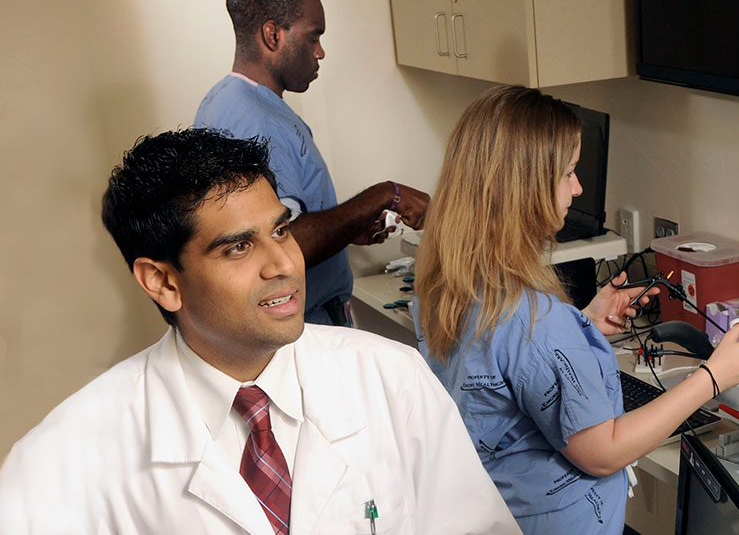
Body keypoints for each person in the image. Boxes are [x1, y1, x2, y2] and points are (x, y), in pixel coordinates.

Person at [0, 128, 519, 534]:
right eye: (238, 248)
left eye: (281, 230)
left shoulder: (391, 377)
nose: (286, 265)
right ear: (162, 281)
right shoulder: (63, 460)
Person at [413, 85, 739, 534]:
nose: (577, 187)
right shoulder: (537, 320)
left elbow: (509, 367)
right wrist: (714, 376)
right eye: (567, 173)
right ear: (524, 187)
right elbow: (604, 452)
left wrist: (584, 325)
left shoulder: (451, 285)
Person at [195, 0, 429, 326]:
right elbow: (280, 247)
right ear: (272, 35)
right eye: (313, 36)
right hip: (302, 325)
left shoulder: (224, 101)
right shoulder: (257, 121)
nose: (320, 51)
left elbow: (282, 227)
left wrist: (347, 228)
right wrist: (386, 194)